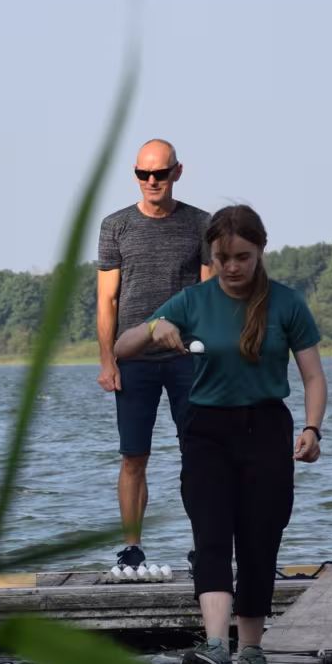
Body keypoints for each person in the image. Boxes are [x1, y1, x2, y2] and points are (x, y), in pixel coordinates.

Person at [115, 204, 327, 664]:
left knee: (258, 541)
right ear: (211, 254)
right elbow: (123, 347)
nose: (232, 267)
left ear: (260, 252)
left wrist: (313, 430)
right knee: (211, 536)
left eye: (242, 257)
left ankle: (251, 652)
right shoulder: (191, 300)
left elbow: (313, 376)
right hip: (207, 431)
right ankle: (215, 648)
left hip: (268, 431)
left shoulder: (288, 304)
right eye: (223, 257)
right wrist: (152, 328)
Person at [96, 138, 212, 579]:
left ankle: (206, 544)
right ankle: (130, 549)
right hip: (133, 358)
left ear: (177, 173)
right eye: (143, 174)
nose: (151, 181)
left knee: (198, 453)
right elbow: (107, 300)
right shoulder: (116, 226)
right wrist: (108, 361)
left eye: (159, 174)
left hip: (187, 359)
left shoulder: (201, 224)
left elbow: (209, 294)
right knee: (133, 456)